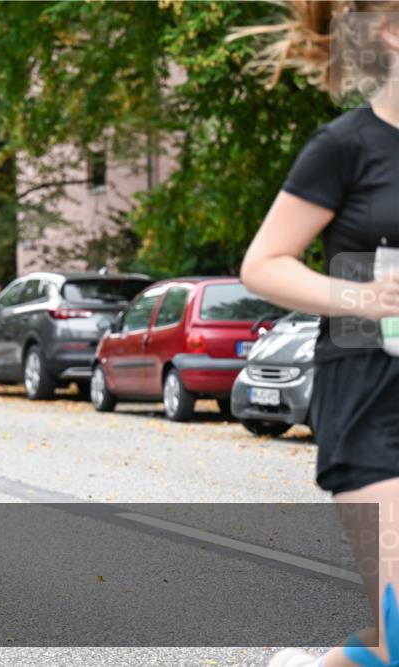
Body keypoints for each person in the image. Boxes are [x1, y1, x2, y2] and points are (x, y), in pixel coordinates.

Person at [234, 3, 399, 665]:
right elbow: (262, 263)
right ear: (392, 30)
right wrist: (361, 295)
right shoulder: (346, 146)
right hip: (371, 402)